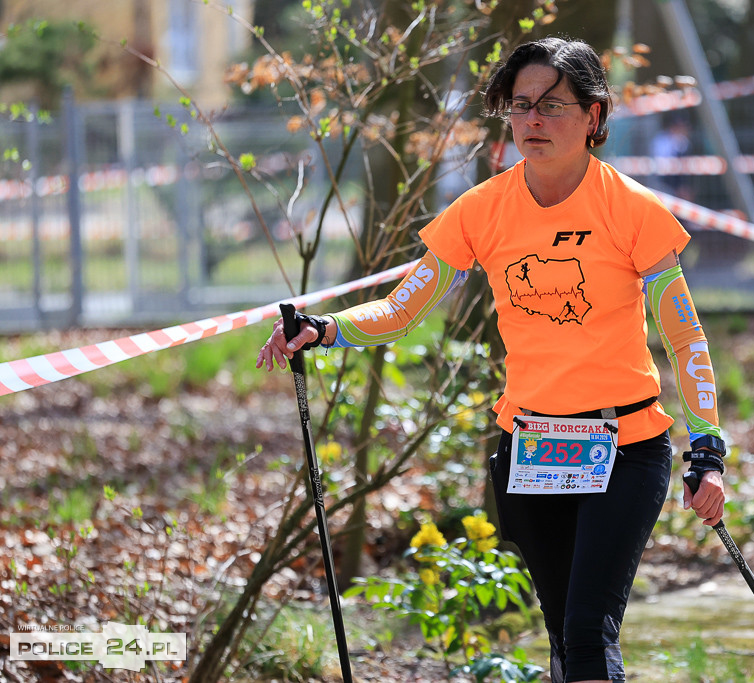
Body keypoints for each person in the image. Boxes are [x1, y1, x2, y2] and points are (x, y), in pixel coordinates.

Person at [256, 37, 727, 683]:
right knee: (564, 632)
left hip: (627, 445)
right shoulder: (481, 210)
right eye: (520, 104)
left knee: (590, 631)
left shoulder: (635, 212)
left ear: (592, 117)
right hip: (532, 445)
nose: (533, 119)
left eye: (552, 105)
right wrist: (325, 329)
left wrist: (707, 447)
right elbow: (400, 308)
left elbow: (685, 337)